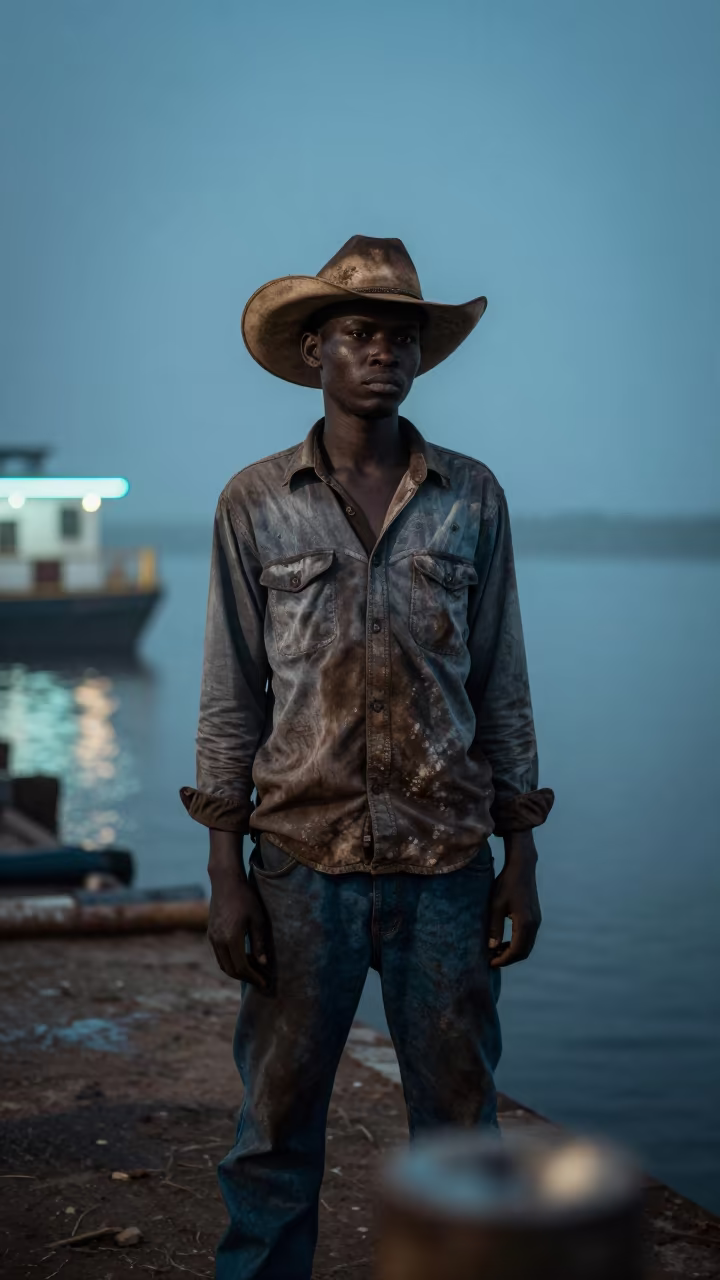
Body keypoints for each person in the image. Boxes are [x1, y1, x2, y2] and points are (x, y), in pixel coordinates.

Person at [181, 235, 554, 1279]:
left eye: (401, 336)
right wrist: (225, 873)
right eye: (360, 333)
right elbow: (231, 692)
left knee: (462, 1136)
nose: (383, 351)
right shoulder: (254, 502)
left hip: (447, 866)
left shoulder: (471, 498)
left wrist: (520, 852)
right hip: (301, 865)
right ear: (316, 352)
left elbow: (500, 680)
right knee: (273, 1134)